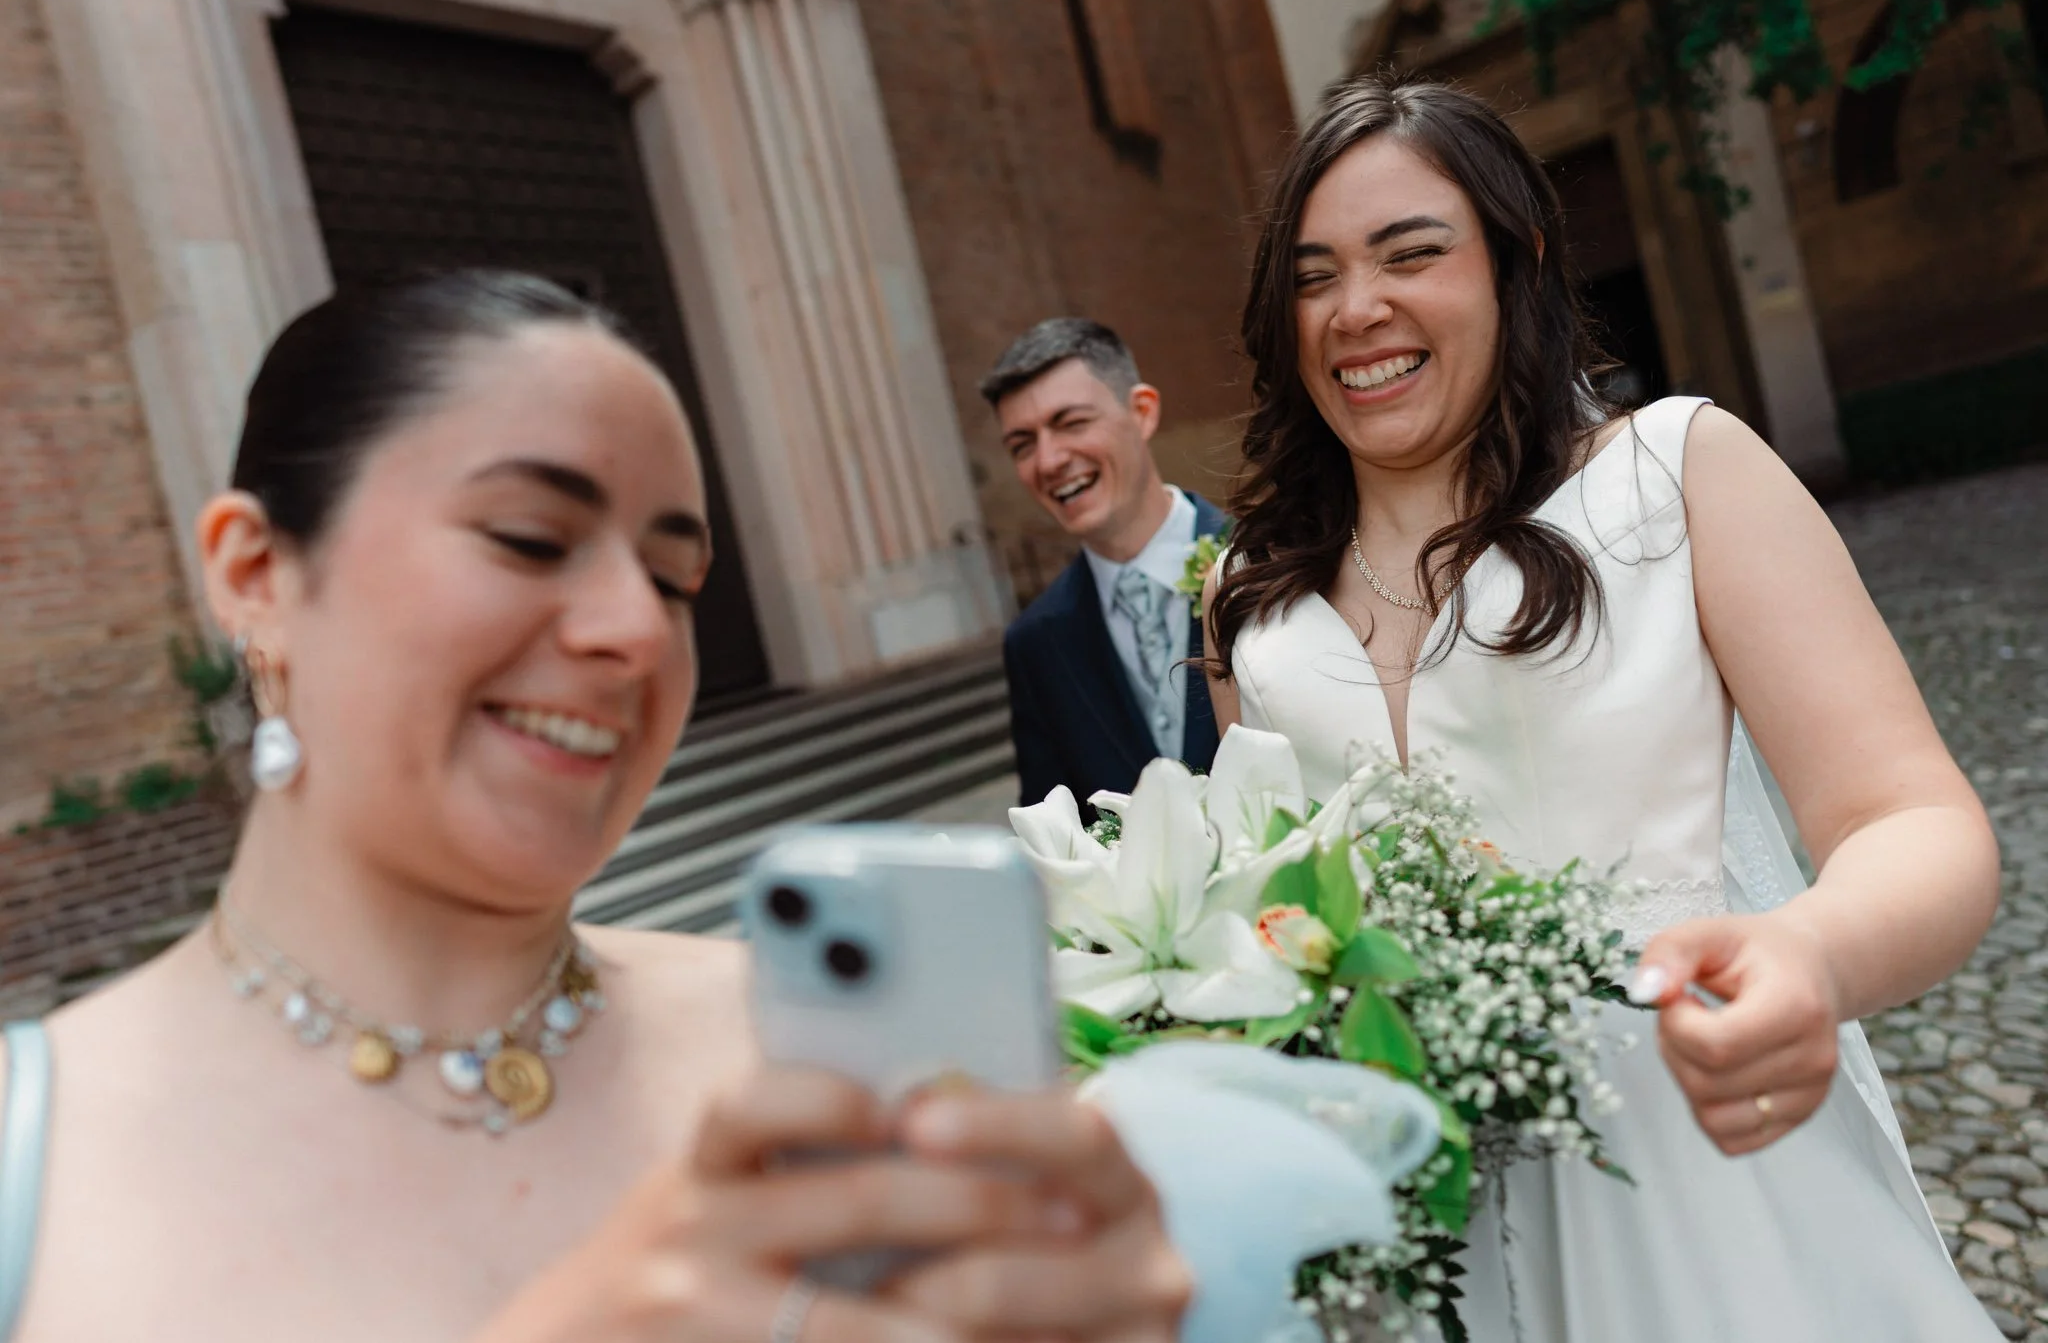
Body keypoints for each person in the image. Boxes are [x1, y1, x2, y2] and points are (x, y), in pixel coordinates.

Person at [0, 272, 1192, 1343]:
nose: (634, 631)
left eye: (673, 579)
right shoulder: (33, 1153)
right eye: (529, 538)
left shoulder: (812, 1065)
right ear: (256, 576)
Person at [1202, 77, 2004, 1341]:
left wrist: (1811, 952)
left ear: (1514, 260)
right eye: (1312, 278)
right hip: (1419, 1244)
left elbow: (1912, 816)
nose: (1356, 311)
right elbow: (1273, 926)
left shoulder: (1675, 474)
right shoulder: (1249, 599)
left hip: (1704, 1182)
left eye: (1411, 254)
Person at [988, 320, 1227, 814]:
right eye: (1022, 444)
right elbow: (1053, 834)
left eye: (1071, 422)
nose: (1049, 460)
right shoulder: (1035, 643)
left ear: (1142, 412)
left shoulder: (1271, 562)